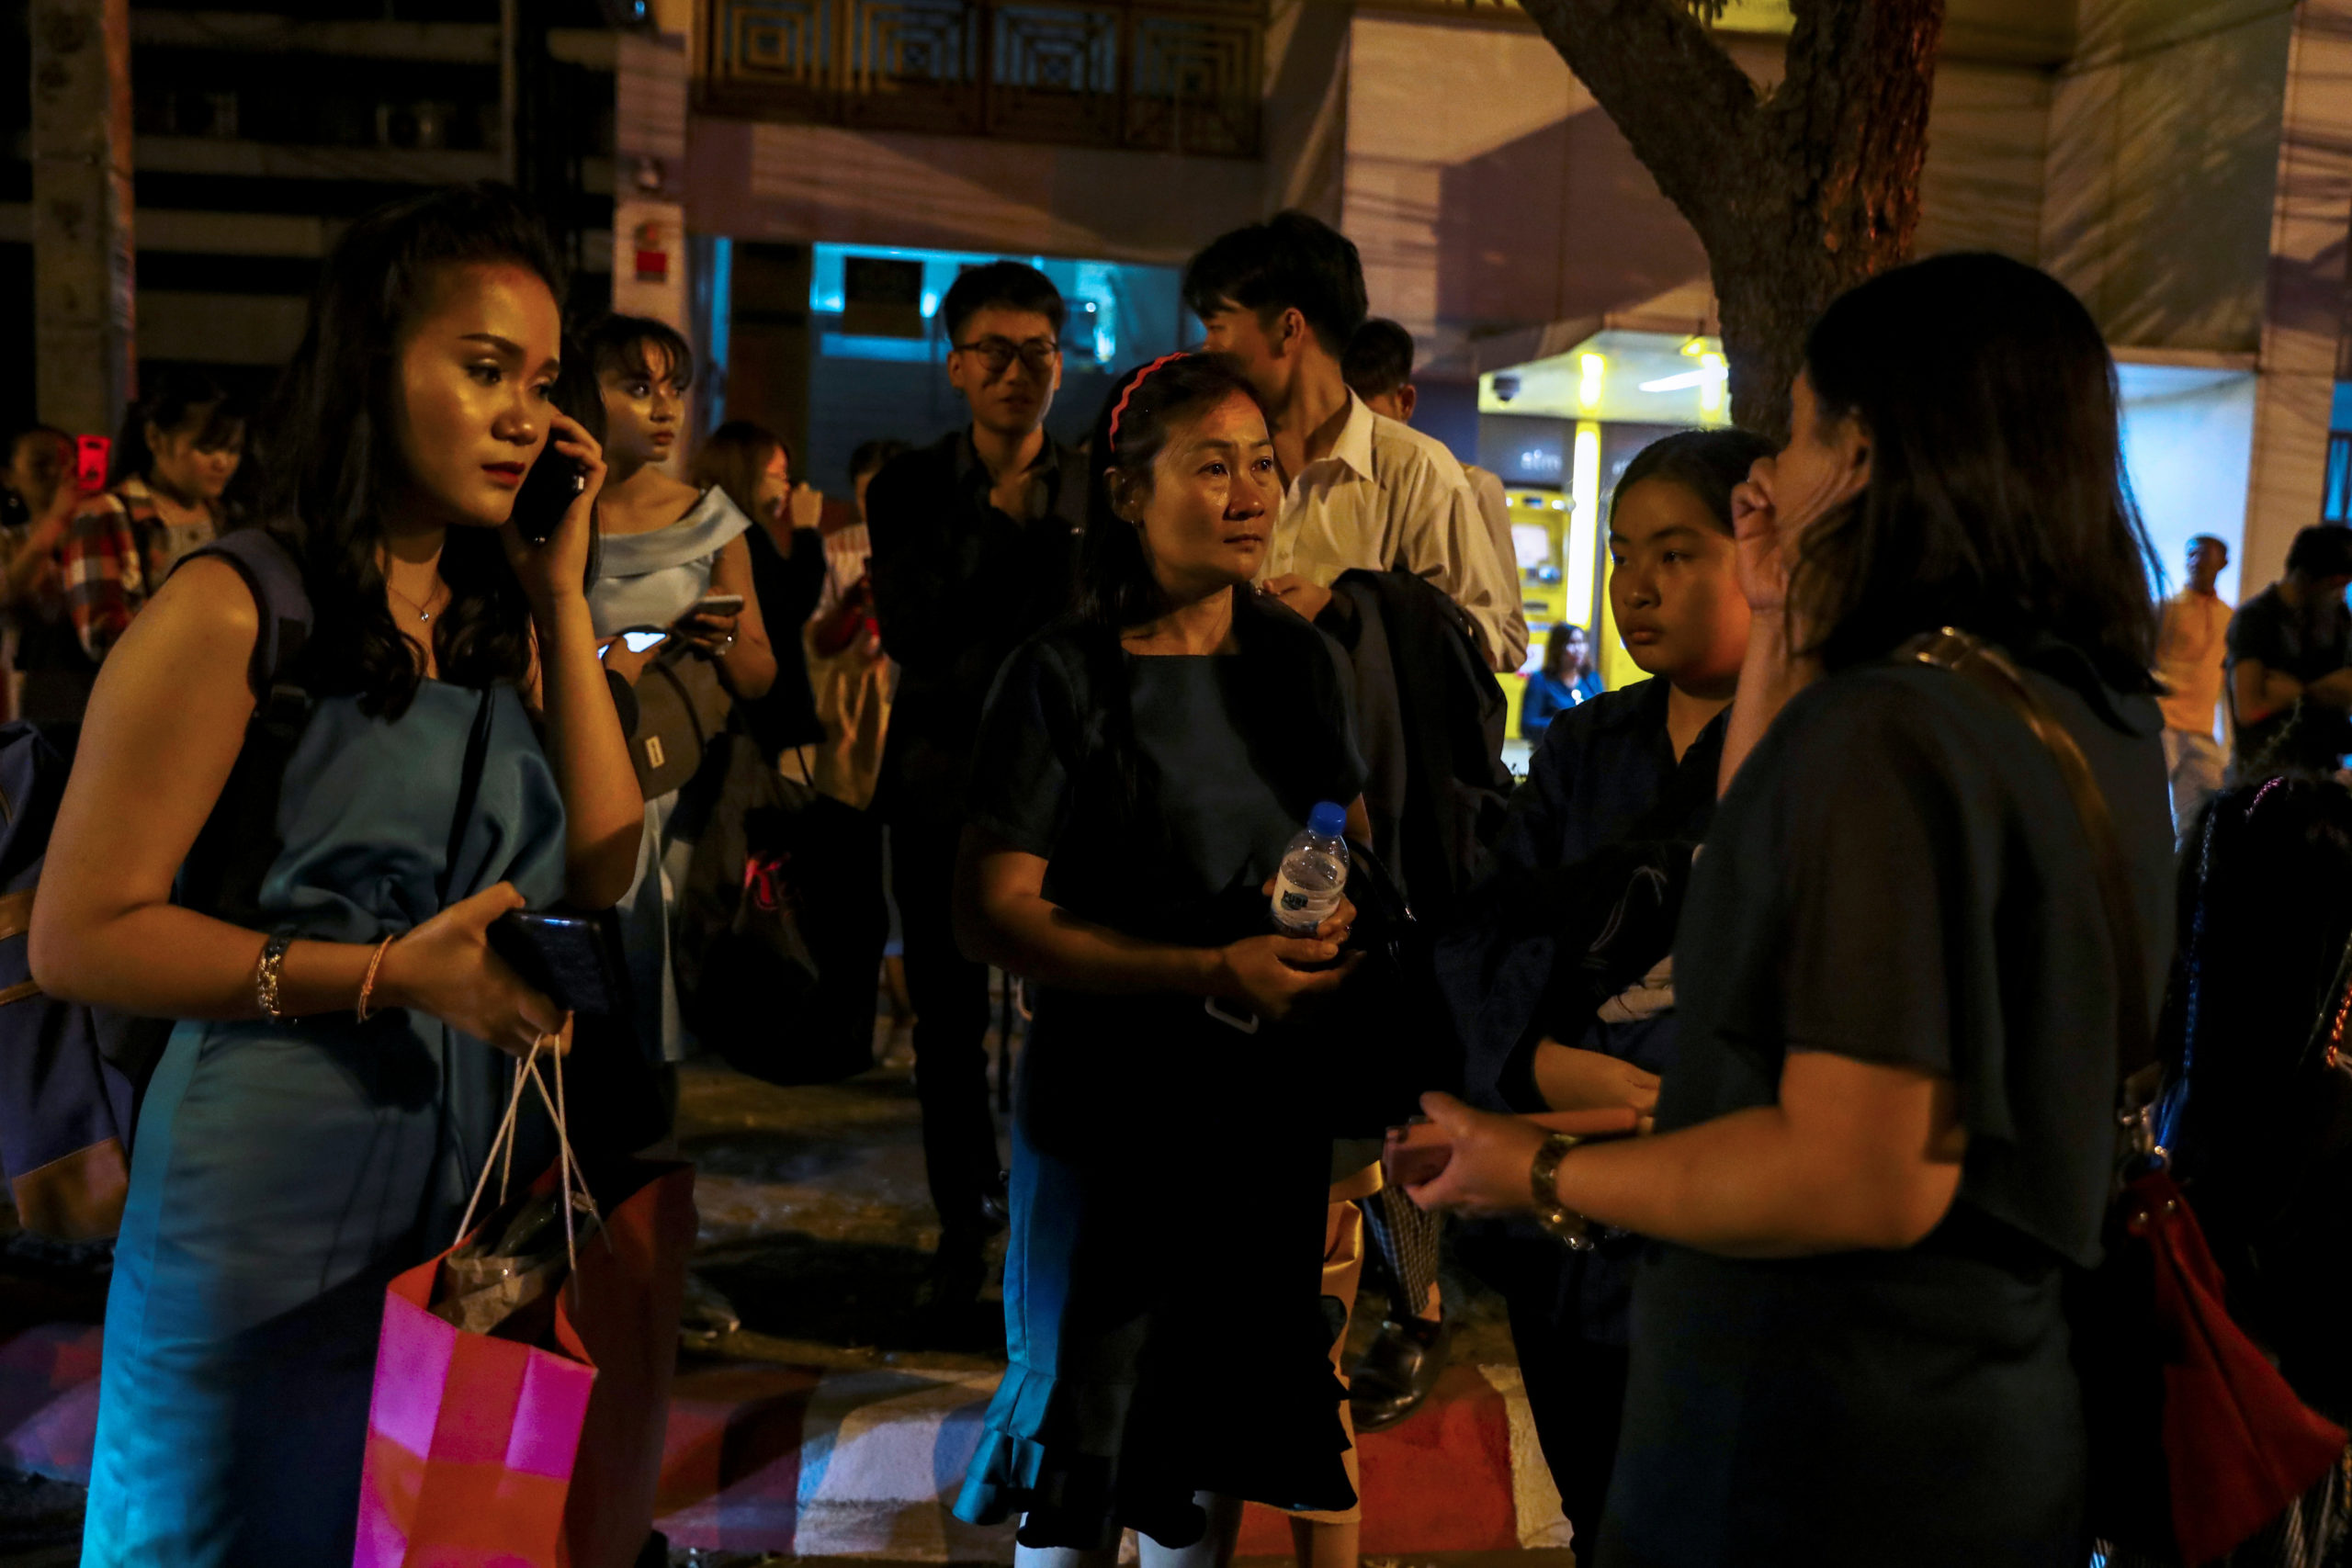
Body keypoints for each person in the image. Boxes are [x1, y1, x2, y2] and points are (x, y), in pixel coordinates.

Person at [1407, 253, 2173, 1567]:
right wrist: (1777, 614)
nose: (1774, 470)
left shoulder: (1897, 730)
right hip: (1995, 1418)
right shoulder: (2083, 709)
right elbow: (1750, 902)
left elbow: (1858, 1165)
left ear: (1866, 454)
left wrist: (1533, 1166)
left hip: (1821, 1443)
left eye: (1805, 428)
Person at [31, 180, 644, 1566]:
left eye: (541, 384)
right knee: (231, 1527)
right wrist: (379, 972)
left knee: (428, 1535)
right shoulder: (235, 602)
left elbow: (605, 866)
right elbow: (81, 934)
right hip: (260, 1197)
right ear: (374, 364)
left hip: (458, 1198)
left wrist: (560, 589)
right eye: (483, 370)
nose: (524, 417)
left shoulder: (501, 619)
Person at [951, 352, 1364, 1568]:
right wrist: (1200, 969)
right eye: (1211, 465)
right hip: (1106, 1116)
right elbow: (992, 910)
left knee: (1211, 1441)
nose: (1249, 491)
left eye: (1261, 463)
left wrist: (1335, 932)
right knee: (1083, 1449)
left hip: (1262, 1114)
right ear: (1130, 492)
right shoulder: (1063, 673)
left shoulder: (1301, 663)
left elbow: (1343, 845)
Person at [1438, 427, 1769, 1551]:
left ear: (1760, 555)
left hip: (1719, 1207)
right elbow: (1485, 933)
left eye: (1678, 554)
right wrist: (1538, 1064)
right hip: (1564, 1204)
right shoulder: (1584, 747)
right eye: (1625, 554)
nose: (1638, 585)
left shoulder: (1806, 755)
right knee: (1593, 1504)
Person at [866, 262, 1086, 1306]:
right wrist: (999, 515)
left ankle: (1058, 1212)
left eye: (1036, 351)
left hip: (1069, 797)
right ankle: (965, 1223)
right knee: (948, 1029)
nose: (1016, 372)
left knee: (1070, 1014)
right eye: (993, 352)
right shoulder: (908, 487)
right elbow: (912, 629)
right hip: (939, 788)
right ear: (954, 366)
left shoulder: (1097, 484)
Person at [1185, 217, 1525, 674]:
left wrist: (1345, 613)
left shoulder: (1414, 471)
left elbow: (1491, 638)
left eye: (1218, 326)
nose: (1207, 349)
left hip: (1362, 747)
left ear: (1289, 329)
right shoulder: (1214, 461)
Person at [582, 314, 778, 1074]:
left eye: (676, 389)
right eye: (638, 388)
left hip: (677, 777)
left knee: (653, 948)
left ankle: (646, 1154)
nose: (666, 409)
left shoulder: (711, 518)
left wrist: (718, 638)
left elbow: (761, 672)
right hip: (574, 762)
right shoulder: (557, 514)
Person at [62, 367, 247, 665]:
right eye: (207, 447)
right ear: (155, 438)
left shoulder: (227, 518)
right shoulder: (105, 515)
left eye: (233, 450)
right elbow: (103, 637)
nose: (223, 462)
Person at [1344, 316, 1517, 619]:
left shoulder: (1470, 487)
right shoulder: (1326, 484)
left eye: (1372, 425)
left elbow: (1509, 636)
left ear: (1406, 402)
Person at [692, 418, 828, 771]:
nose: (790, 487)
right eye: (780, 475)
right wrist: (807, 531)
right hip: (767, 727)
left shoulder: (724, 531)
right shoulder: (740, 538)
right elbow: (792, 604)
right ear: (748, 473)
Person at [2225, 523, 2352, 780]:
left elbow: (2345, 688)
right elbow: (2249, 708)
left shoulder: (2337, 618)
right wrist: (2319, 691)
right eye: (2333, 586)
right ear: (2304, 577)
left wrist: (2299, 690)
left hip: (2321, 775)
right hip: (2261, 780)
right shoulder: (2256, 618)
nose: (2339, 596)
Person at [0, 424, 80, 727]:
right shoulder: (9, 541)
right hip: (30, 686)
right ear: (8, 477)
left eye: (65, 463)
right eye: (40, 464)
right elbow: (8, 594)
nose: (56, 474)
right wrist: (53, 523)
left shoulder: (97, 536)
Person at [2153, 534, 2232, 835]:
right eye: (2191, 555)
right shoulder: (2167, 608)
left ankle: (2185, 873)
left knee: (2204, 811)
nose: (2196, 561)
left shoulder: (2228, 617)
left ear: (2222, 563)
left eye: (2204, 554)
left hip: (2201, 729)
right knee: (2151, 800)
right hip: (2164, 724)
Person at [1520, 625, 1603, 740]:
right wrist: (1569, 724)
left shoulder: (1592, 678)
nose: (1578, 649)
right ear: (1558, 648)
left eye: (1581, 642)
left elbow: (1603, 716)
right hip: (1554, 754)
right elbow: (1527, 726)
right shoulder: (1540, 680)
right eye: (1571, 643)